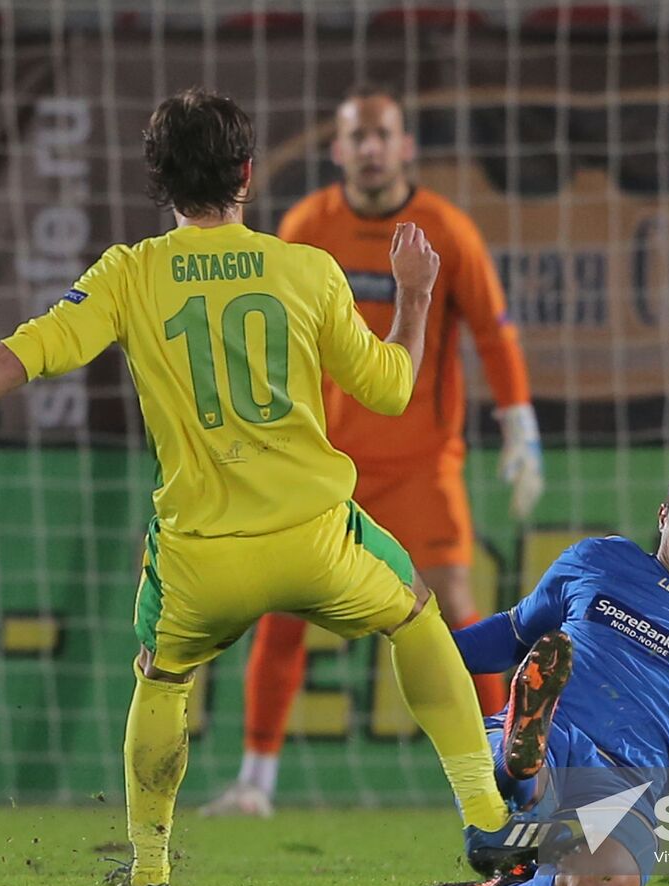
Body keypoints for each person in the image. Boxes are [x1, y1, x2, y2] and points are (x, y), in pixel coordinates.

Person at [0, 87, 530, 886]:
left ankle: (152, 875)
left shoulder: (129, 274)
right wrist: (413, 296)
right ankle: (487, 819)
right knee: (415, 615)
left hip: (202, 557)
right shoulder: (306, 267)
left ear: (157, 179)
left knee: (161, 677)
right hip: (316, 539)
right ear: (248, 172)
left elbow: (23, 356)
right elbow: (391, 388)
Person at [202, 83, 542, 818]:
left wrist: (521, 427)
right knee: (284, 609)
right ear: (337, 150)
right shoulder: (307, 223)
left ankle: (500, 771)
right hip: (326, 460)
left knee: (454, 607)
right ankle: (255, 782)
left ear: (405, 146)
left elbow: (494, 330)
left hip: (423, 462)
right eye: (356, 136)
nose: (370, 148)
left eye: (381, 134)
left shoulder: (446, 229)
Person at [413, 451, 669, 886]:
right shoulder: (600, 560)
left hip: (625, 785)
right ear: (664, 515)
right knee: (530, 790)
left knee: (601, 884)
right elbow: (512, 633)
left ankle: (498, 885)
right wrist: (419, 640)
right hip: (556, 737)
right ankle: (522, 767)